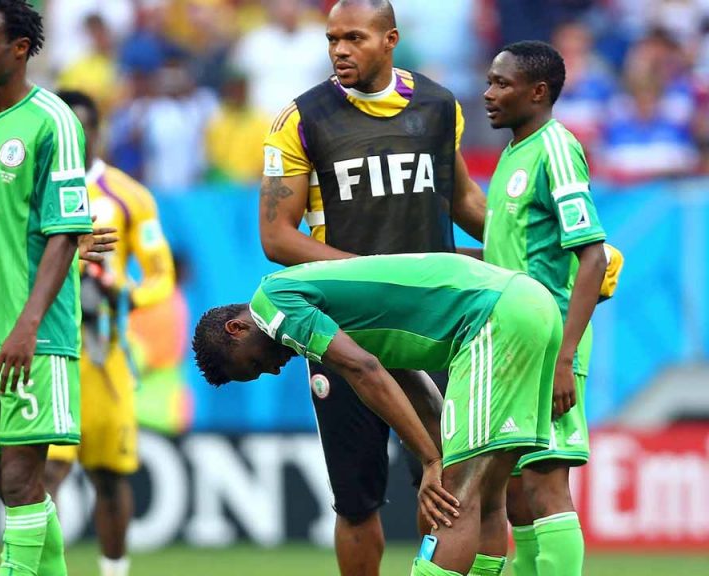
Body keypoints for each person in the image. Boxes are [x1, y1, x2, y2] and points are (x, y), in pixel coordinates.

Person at [257, 2, 488, 574]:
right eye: (332, 38)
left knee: (446, 486)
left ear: (390, 40)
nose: (339, 49)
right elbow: (277, 237)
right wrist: (370, 281)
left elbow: (463, 201)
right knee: (356, 500)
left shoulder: (439, 106)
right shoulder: (301, 119)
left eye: (354, 38)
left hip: (435, 327)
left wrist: (531, 249)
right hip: (344, 330)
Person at [192, 253, 561, 576]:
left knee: (454, 497)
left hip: (492, 317)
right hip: (531, 304)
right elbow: (409, 381)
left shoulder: (273, 301)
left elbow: (364, 370)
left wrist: (432, 461)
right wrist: (438, 452)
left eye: (255, 364)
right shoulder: (336, 311)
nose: (273, 370)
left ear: (236, 328)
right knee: (487, 494)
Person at [0, 2, 93, 575]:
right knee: (10, 480)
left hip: (35, 336)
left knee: (23, 479)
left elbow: (64, 234)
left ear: (21, 48)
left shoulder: (53, 120)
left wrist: (27, 326)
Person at [483, 41, 610, 576]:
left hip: (548, 343)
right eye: (489, 81)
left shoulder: (556, 148)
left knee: (544, 483)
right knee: (515, 495)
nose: (488, 94)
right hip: (510, 346)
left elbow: (593, 256)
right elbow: (512, 255)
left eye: (502, 84)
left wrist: (564, 357)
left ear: (537, 92)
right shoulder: (513, 153)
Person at [45, 90, 176, 576]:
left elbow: (161, 275)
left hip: (105, 351)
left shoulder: (128, 196)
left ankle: (114, 571)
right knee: (47, 470)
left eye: (83, 128)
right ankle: (43, 567)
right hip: (50, 348)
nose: (75, 138)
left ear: (97, 131)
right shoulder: (33, 189)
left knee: (108, 474)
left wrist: (126, 294)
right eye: (66, 129)